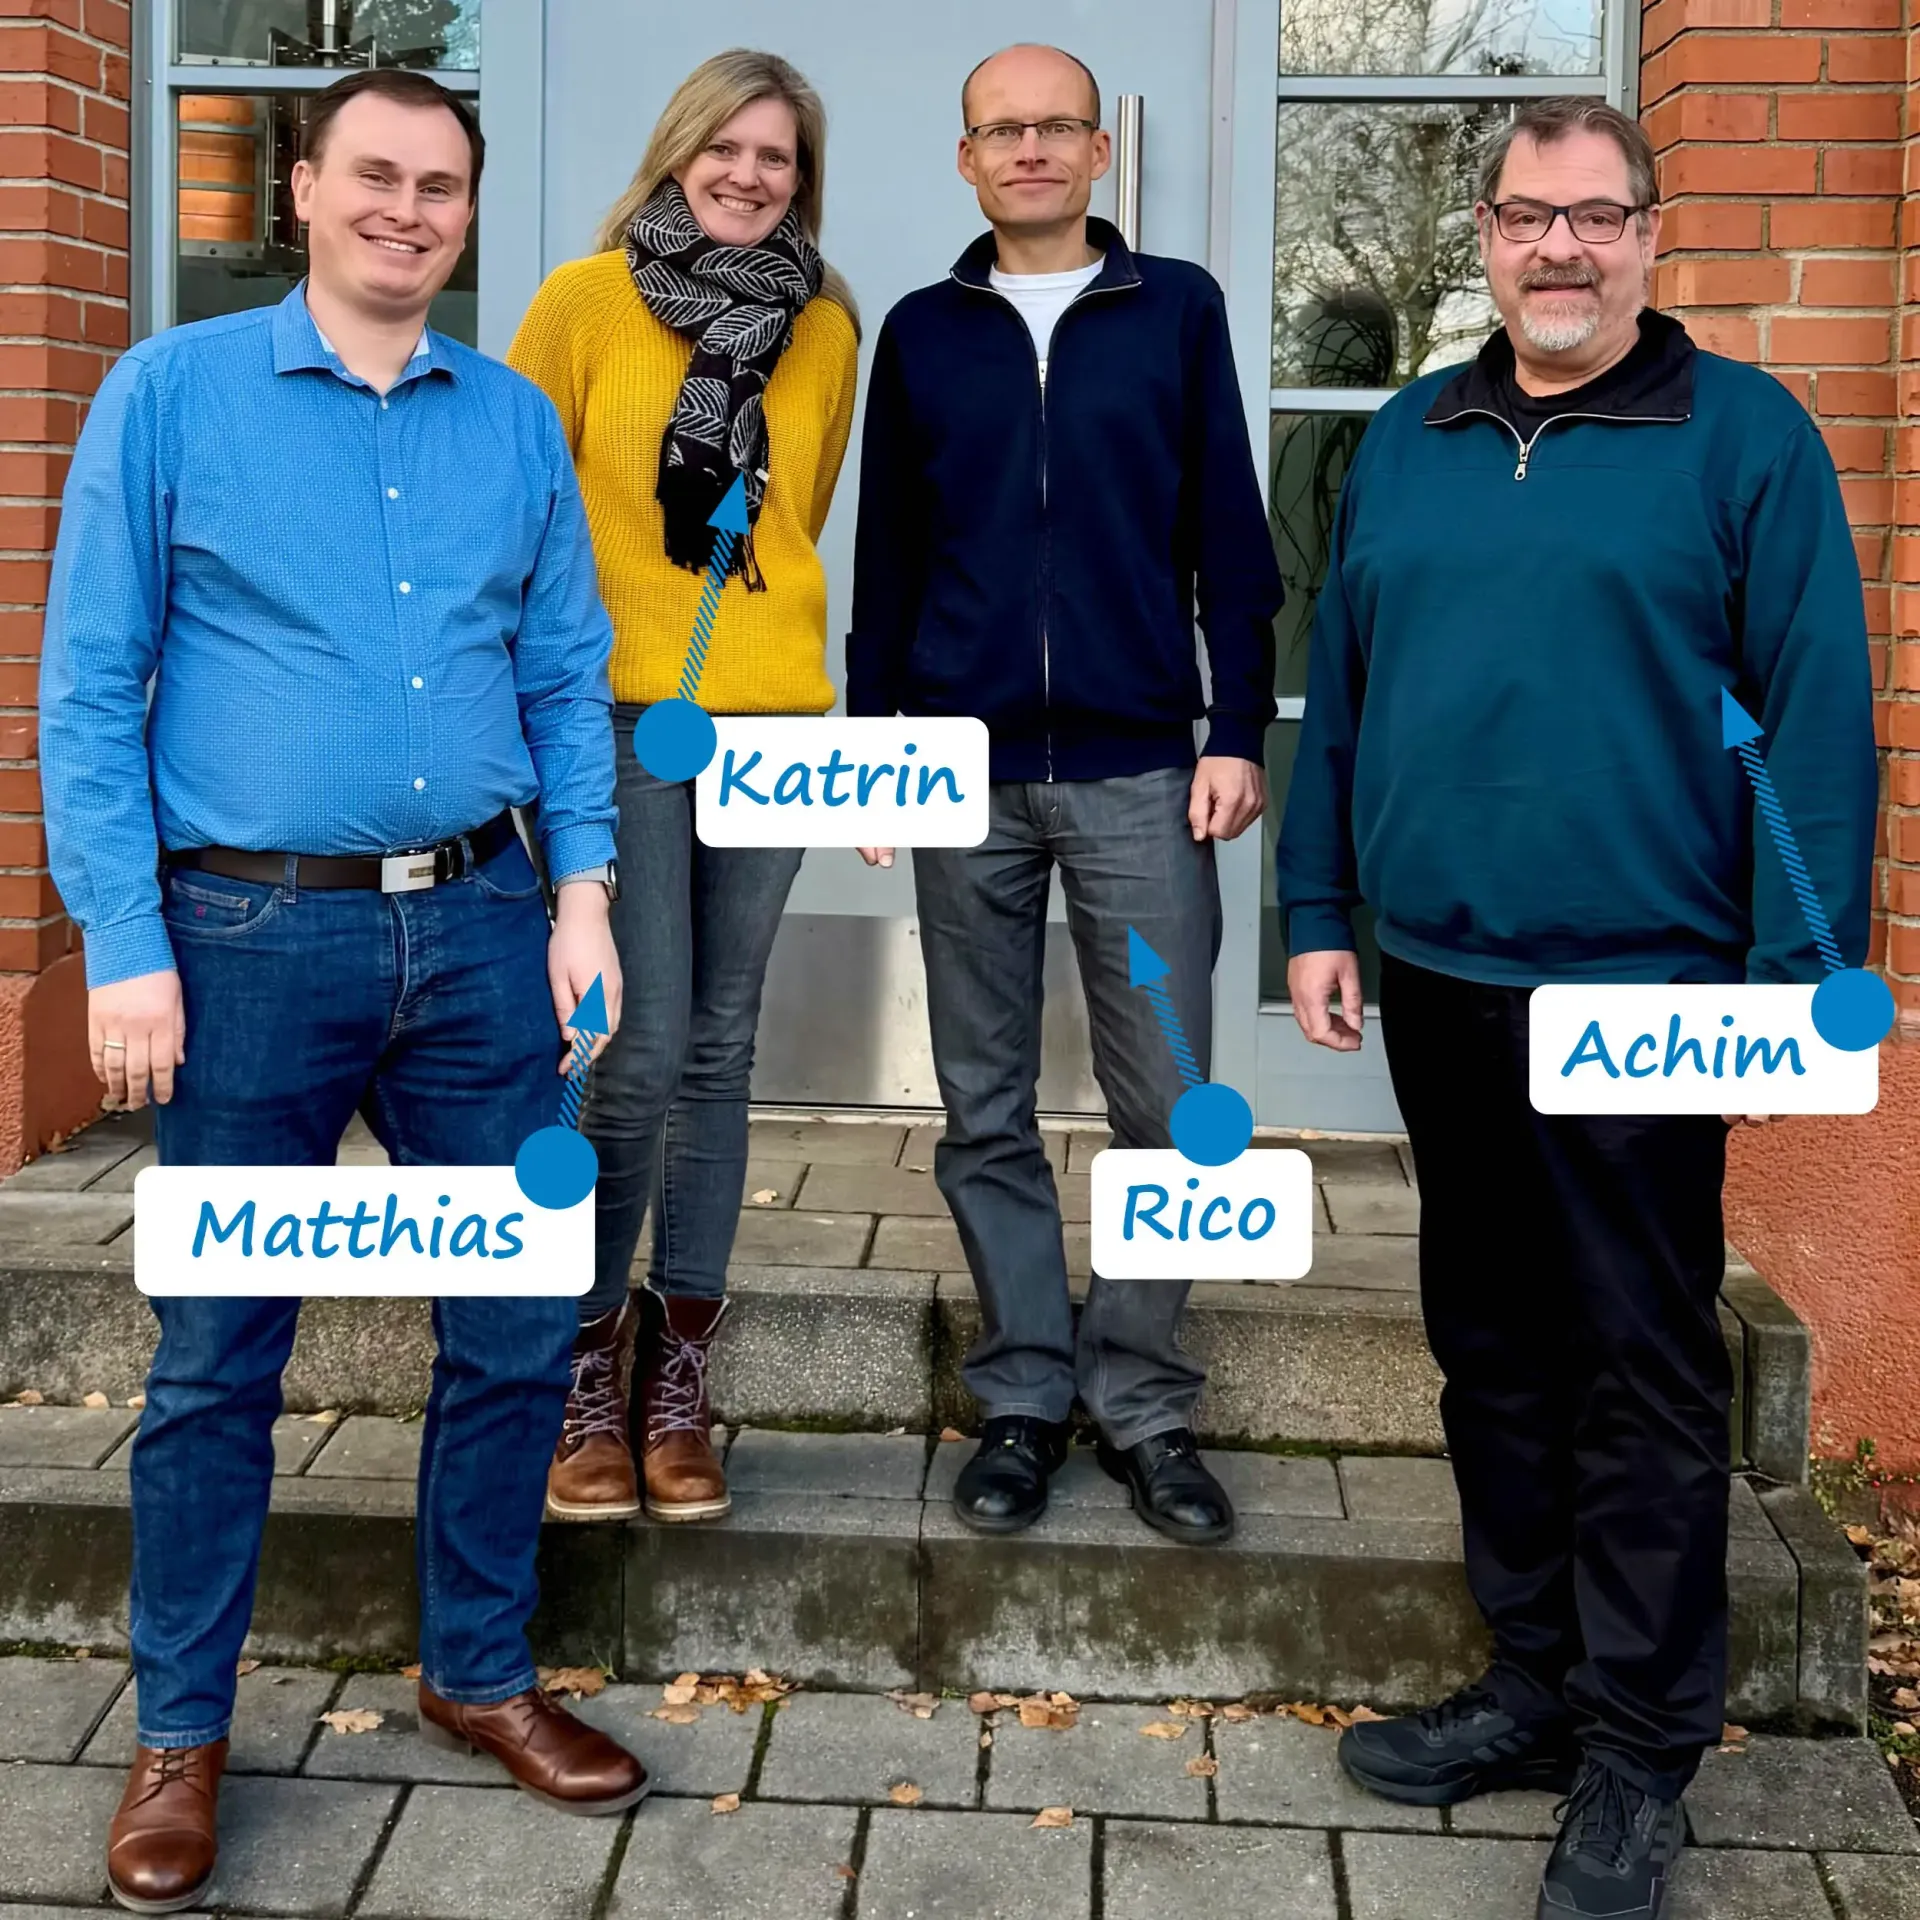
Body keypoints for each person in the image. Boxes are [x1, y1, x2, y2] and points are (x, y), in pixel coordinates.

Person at [39, 69, 646, 1915]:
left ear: (468, 212)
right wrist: (122, 941)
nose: (408, 210)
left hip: (483, 929)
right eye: (374, 174)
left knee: (519, 1326)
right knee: (219, 1352)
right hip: (245, 942)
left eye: (440, 186)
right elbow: (90, 682)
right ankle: (180, 1733)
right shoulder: (169, 394)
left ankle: (478, 1670)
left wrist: (583, 896)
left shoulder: (512, 420)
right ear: (300, 189)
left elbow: (564, 669)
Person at [1276, 98, 1874, 1920]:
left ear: (1647, 236)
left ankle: (1638, 1752)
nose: (1561, 248)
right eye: (1530, 216)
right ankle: (1531, 1683)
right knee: (1492, 1347)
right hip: (1444, 978)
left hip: (1647, 989)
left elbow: (1818, 717)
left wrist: (1798, 982)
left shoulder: (1745, 438)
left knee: (1636, 1367)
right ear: (1485, 235)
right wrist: (1318, 911)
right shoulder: (1410, 437)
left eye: (1596, 218)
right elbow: (1342, 692)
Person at [848, 43, 1281, 1546]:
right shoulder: (924, 332)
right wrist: (874, 741)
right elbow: (890, 557)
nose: (1029, 149)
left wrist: (1237, 729)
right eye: (1001, 129)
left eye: (1057, 127)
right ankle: (1025, 1393)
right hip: (958, 775)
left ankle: (1145, 1400)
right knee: (983, 1100)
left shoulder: (1176, 310)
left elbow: (1230, 534)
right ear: (967, 158)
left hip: (1139, 771)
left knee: (1169, 1096)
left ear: (1099, 153)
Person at [510, 50, 859, 1527]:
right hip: (620, 710)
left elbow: (802, 513)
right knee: (633, 1046)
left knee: (722, 1045)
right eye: (726, 148)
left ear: (801, 180)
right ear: (676, 153)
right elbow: (521, 506)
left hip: (769, 719)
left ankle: (680, 1375)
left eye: (777, 157)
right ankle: (586, 1358)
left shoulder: (827, 326)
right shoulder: (584, 303)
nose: (749, 175)